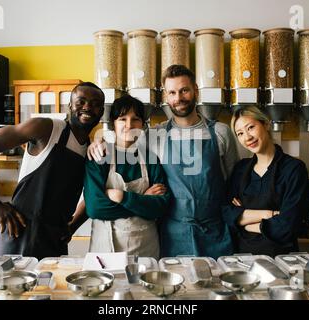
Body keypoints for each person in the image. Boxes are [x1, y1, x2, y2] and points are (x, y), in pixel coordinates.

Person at [88, 65, 239, 259]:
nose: (179, 98)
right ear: (166, 97)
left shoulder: (221, 132)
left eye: (184, 90)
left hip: (215, 230)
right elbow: (124, 140)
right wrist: (97, 141)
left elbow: (235, 179)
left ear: (195, 91)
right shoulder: (155, 135)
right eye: (172, 92)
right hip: (173, 233)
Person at [0, 82, 104, 260]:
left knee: (50, 287)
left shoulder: (90, 150)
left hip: (54, 240)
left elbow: (93, 195)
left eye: (95, 103)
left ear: (102, 112)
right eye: (81, 101)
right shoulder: (47, 129)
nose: (88, 107)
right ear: (69, 106)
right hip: (18, 232)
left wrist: (73, 226)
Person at [82, 95, 170, 259]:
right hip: (105, 250)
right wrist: (142, 201)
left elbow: (161, 206)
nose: (129, 125)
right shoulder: (100, 156)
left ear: (143, 125)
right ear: (113, 124)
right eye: (122, 119)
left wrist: (121, 196)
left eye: (135, 119)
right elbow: (95, 207)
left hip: (145, 250)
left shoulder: (151, 159)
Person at [222, 105, 309, 257]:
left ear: (266, 124)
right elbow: (227, 213)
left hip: (281, 258)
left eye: (251, 127)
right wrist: (271, 214)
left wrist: (246, 222)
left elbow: (289, 225)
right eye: (240, 133)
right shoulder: (240, 169)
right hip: (242, 258)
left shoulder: (293, 169)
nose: (247, 137)